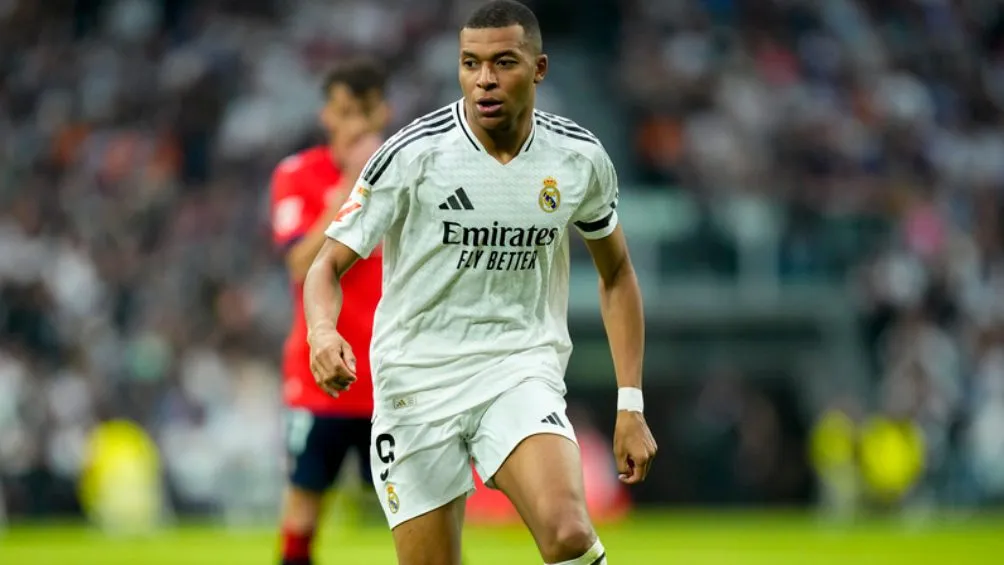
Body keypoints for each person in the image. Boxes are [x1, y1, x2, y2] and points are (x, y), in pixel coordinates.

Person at [304, 1, 658, 564]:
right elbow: (325, 265)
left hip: (518, 368)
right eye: (471, 63)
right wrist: (322, 332)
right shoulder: (413, 155)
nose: (484, 79)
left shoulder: (578, 158)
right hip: (415, 381)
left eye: (503, 63)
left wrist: (630, 405)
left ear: (539, 69)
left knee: (568, 531)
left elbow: (616, 274)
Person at [269, 58, 388, 565]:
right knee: (303, 504)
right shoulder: (298, 174)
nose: (352, 124)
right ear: (326, 114)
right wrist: (351, 190)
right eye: (343, 111)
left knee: (424, 511)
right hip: (320, 374)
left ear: (382, 113)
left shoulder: (406, 175)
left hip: (394, 375)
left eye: (362, 112)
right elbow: (299, 263)